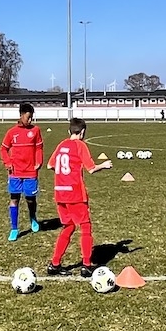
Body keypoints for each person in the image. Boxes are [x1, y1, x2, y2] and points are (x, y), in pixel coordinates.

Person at [45, 118, 114, 277]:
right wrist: (104, 165)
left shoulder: (61, 144)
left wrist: (64, 174)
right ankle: (87, 265)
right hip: (74, 192)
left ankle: (54, 264)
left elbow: (50, 165)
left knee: (68, 226)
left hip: (60, 192)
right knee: (85, 227)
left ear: (69, 131)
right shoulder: (80, 145)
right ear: (82, 132)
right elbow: (91, 168)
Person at [0, 102, 43, 241]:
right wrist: (8, 162)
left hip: (30, 171)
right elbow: (3, 149)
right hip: (15, 172)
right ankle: (14, 228)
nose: (30, 120)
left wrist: (39, 161)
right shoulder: (12, 132)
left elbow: (39, 148)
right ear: (21, 115)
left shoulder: (35, 130)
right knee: (14, 199)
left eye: (31, 117)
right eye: (28, 117)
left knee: (30, 199)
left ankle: (33, 218)